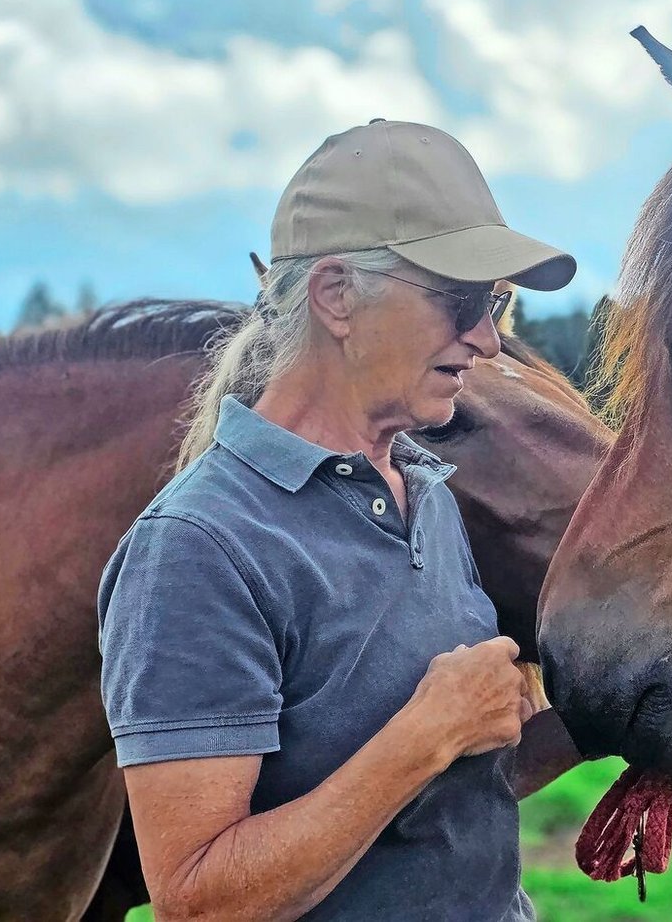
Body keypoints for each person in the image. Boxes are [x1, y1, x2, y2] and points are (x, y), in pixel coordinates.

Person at [97, 120, 583, 921]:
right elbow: (199, 898)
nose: (489, 340)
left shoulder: (426, 497)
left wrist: (613, 728)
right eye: (463, 300)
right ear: (335, 296)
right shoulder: (196, 550)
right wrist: (422, 735)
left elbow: (446, 795)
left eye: (497, 303)